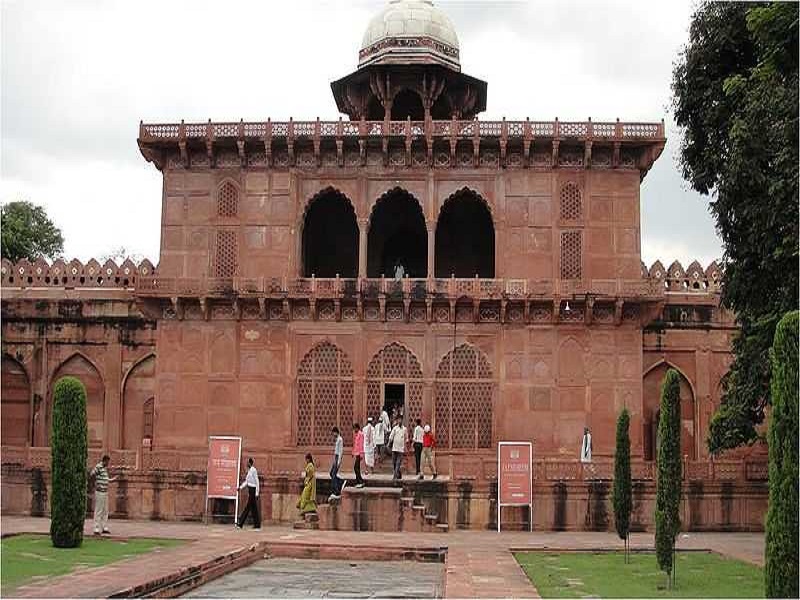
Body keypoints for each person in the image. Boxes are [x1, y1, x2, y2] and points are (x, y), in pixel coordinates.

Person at [89, 454, 116, 535]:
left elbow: (106, 479)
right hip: (100, 491)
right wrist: (95, 484)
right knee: (99, 510)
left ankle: (104, 526)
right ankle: (96, 527)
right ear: (105, 461)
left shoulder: (104, 468)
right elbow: (92, 474)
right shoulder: (99, 467)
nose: (108, 463)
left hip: (105, 491)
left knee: (105, 510)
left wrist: (113, 479)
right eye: (107, 462)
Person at [236, 457, 261, 529]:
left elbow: (257, 481)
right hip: (250, 490)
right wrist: (240, 488)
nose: (247, 464)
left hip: (253, 491)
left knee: (247, 507)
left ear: (250, 463)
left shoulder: (253, 470)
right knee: (254, 509)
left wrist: (257, 493)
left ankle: (240, 523)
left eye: (248, 462)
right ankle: (257, 524)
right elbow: (247, 482)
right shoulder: (249, 471)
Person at [329, 426, 346, 501]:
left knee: (333, 474)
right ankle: (341, 482)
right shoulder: (337, 439)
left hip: (337, 459)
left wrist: (338, 462)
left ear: (336, 432)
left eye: (333, 433)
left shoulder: (340, 439)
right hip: (335, 459)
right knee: (331, 474)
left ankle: (337, 492)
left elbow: (340, 452)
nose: (333, 435)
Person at [388, 417, 408, 481]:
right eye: (398, 420)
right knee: (394, 462)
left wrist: (405, 447)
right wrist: (388, 444)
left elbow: (406, 439)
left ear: (402, 420)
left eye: (401, 419)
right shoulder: (395, 428)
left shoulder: (404, 429)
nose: (400, 421)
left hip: (401, 449)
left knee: (398, 463)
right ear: (397, 421)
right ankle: (398, 473)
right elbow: (391, 437)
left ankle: (395, 476)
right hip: (394, 448)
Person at [352, 423, 365, 488]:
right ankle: (358, 481)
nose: (354, 430)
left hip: (359, 453)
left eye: (355, 428)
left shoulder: (361, 434)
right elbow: (355, 445)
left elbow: (361, 445)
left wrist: (361, 454)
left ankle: (360, 481)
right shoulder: (357, 435)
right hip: (357, 453)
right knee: (356, 468)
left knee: (356, 468)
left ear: (357, 428)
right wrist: (353, 452)